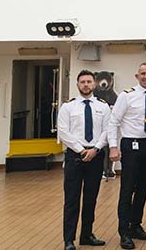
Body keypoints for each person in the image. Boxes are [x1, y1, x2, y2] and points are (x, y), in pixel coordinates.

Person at [108, 63, 146, 250]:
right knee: (127, 189)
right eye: (143, 73)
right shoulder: (126, 95)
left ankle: (135, 225)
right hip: (131, 144)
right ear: (137, 76)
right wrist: (113, 147)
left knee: (143, 189)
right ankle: (124, 232)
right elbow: (113, 121)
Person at [57, 70, 110, 250]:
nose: (86, 85)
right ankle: (69, 240)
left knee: (90, 198)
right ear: (77, 85)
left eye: (89, 81)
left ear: (94, 84)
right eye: (82, 82)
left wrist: (95, 149)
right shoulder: (68, 107)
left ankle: (87, 235)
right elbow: (63, 131)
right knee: (71, 200)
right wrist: (81, 150)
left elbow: (107, 130)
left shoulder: (103, 106)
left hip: (95, 156)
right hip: (75, 156)